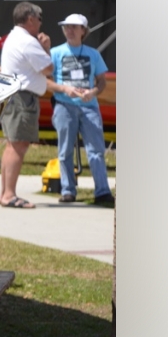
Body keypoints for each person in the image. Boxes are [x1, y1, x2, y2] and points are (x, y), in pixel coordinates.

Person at [0, 2, 81, 209]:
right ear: (31, 19)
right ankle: (9, 194)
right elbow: (48, 68)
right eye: (40, 18)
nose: (41, 23)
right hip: (22, 99)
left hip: (15, 96)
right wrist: (45, 48)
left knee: (12, 145)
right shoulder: (27, 41)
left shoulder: (14, 37)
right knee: (19, 145)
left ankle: (5, 193)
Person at [50, 14, 114, 205]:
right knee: (65, 150)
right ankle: (68, 190)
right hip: (64, 105)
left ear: (83, 31)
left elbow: (102, 80)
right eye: (66, 27)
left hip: (89, 107)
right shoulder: (55, 53)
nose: (69, 30)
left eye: (74, 27)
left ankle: (102, 191)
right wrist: (64, 89)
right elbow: (45, 80)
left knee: (96, 150)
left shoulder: (93, 54)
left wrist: (93, 92)